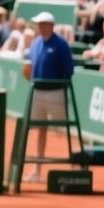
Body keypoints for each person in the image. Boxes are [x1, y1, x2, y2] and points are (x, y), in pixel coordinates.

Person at [22, 11, 75, 183]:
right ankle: (37, 170)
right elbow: (29, 67)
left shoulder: (61, 44)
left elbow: (69, 70)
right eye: (38, 24)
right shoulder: (35, 44)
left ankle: (74, 165)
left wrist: (57, 83)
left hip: (56, 92)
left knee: (64, 129)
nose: (40, 27)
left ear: (51, 26)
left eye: (43, 24)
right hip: (37, 92)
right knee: (40, 129)